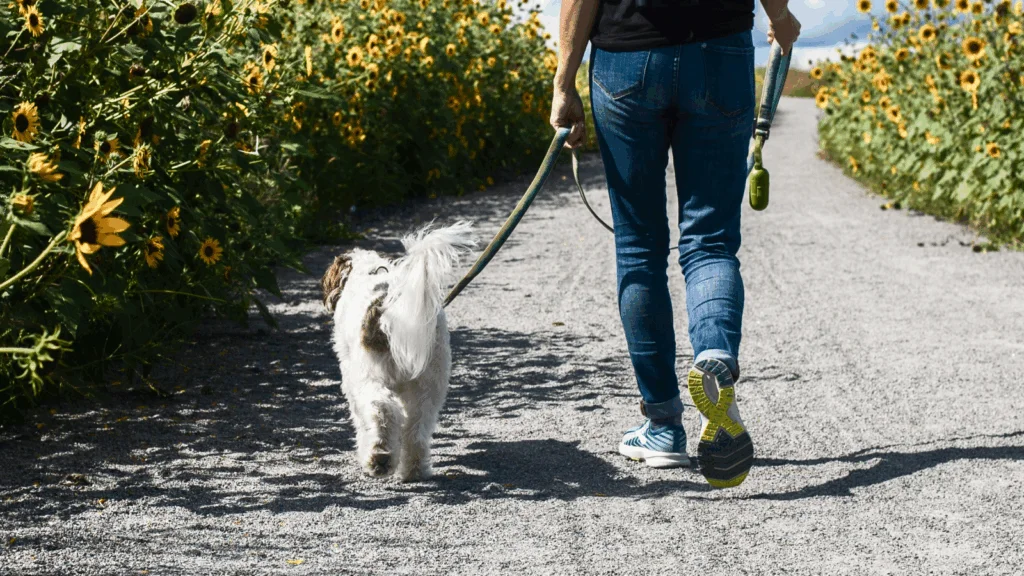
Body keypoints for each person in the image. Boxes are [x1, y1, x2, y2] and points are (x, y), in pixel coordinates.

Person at [550, 0, 800, 488]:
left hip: (626, 57)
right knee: (710, 242)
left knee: (639, 248)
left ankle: (663, 425)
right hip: (719, 52)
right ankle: (714, 357)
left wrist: (564, 81)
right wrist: (781, 16)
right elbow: (779, 18)